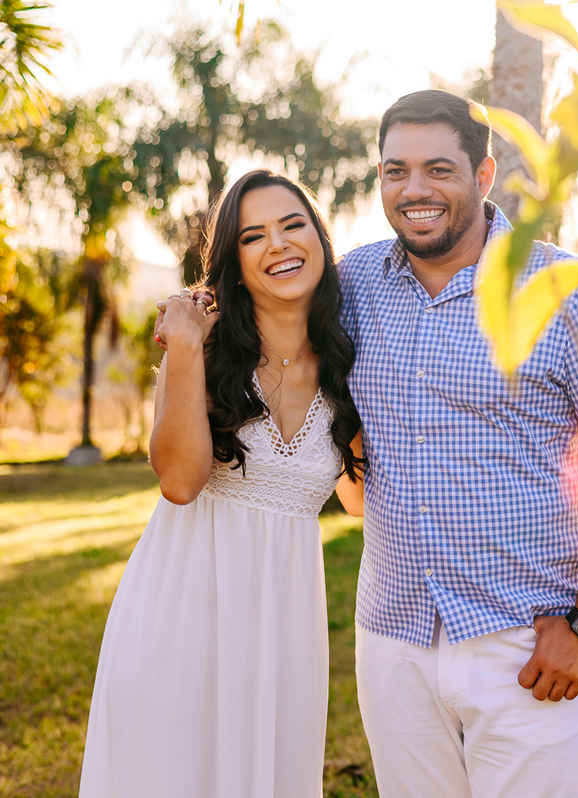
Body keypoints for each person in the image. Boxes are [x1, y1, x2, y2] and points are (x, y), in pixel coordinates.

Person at [337, 89, 578, 798]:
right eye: (395, 171)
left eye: (438, 170)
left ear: (483, 177)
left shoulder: (573, 291)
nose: (413, 190)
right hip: (393, 641)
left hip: (529, 644)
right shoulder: (354, 283)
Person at [78, 169, 365, 798]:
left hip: (283, 627)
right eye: (253, 236)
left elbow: (359, 501)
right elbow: (179, 481)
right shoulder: (202, 352)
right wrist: (181, 345)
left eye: (294, 225)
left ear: (320, 236)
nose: (279, 246)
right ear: (233, 261)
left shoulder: (352, 363)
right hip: (180, 611)